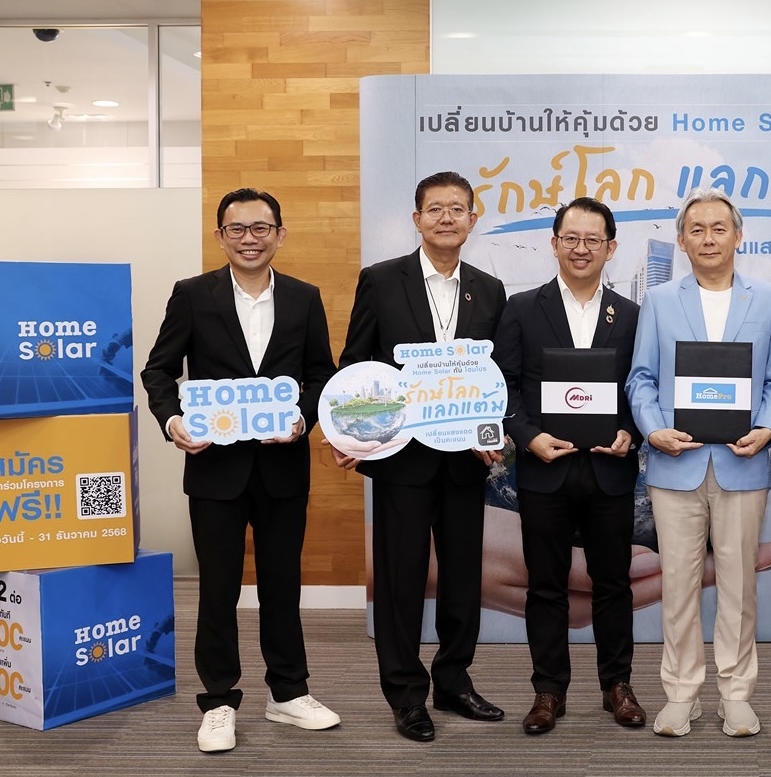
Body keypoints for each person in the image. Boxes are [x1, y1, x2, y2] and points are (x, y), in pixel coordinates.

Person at [142, 188, 341, 753]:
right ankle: (218, 702)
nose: (249, 239)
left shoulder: (304, 297)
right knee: (217, 589)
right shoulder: (192, 294)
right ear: (220, 236)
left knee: (283, 586)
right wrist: (172, 421)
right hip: (215, 470)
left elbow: (321, 374)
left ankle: (289, 693)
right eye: (237, 229)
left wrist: (302, 419)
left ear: (279, 234)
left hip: (283, 467)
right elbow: (158, 371)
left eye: (261, 228)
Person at [335, 170, 508, 742]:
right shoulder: (382, 281)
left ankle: (454, 681)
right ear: (417, 219)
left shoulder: (490, 288)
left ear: (472, 220)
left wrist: (492, 434)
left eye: (457, 208)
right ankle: (406, 695)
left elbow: (496, 378)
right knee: (401, 579)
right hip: (401, 459)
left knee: (463, 578)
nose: (446, 217)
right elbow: (356, 364)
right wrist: (352, 433)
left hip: (464, 461)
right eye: (435, 208)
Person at [626, 188, 771, 738]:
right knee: (678, 586)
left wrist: (768, 427)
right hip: (676, 465)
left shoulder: (768, 299)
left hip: (743, 465)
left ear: (738, 236)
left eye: (719, 228)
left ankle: (736, 694)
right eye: (696, 229)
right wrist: (654, 429)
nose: (708, 238)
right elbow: (641, 378)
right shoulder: (659, 300)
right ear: (681, 240)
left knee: (739, 588)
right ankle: (680, 694)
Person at [492, 197, 646, 735]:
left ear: (611, 247)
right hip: (544, 469)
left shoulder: (632, 315)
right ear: (554, 243)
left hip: (610, 469)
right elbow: (504, 385)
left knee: (614, 584)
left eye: (593, 240)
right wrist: (528, 437)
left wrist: (631, 429)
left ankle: (617, 685)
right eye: (571, 239)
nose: (582, 249)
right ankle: (548, 691)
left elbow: (641, 385)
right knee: (546, 586)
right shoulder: (521, 308)